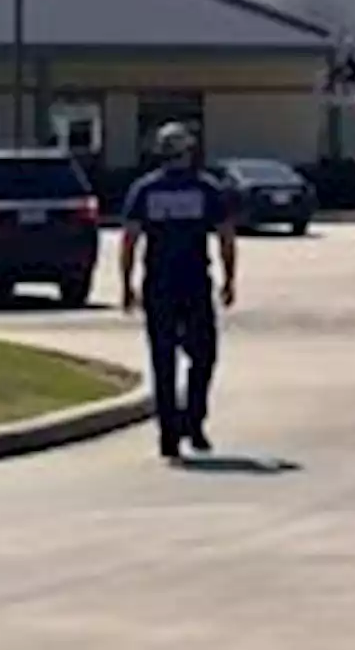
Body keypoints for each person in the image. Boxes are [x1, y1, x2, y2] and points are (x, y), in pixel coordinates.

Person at [119, 121, 237, 461]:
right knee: (203, 355)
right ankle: (193, 421)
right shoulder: (206, 189)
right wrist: (230, 279)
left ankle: (169, 433)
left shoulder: (145, 189)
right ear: (189, 151)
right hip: (194, 282)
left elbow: (130, 239)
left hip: (158, 283)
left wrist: (126, 284)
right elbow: (226, 236)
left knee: (163, 358)